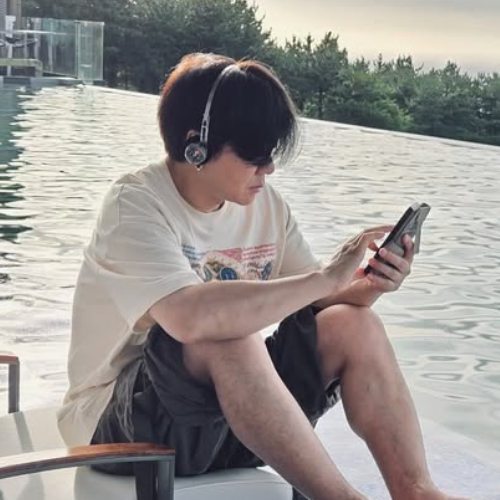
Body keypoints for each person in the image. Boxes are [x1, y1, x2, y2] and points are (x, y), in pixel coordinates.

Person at [58, 52, 470, 500]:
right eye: (255, 155)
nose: (268, 169)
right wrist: (325, 278)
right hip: (123, 430)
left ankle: (416, 492)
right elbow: (190, 319)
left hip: (230, 421)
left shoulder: (266, 206)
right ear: (196, 145)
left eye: (271, 154)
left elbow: (318, 302)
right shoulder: (135, 204)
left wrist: (369, 284)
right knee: (227, 332)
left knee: (355, 324)